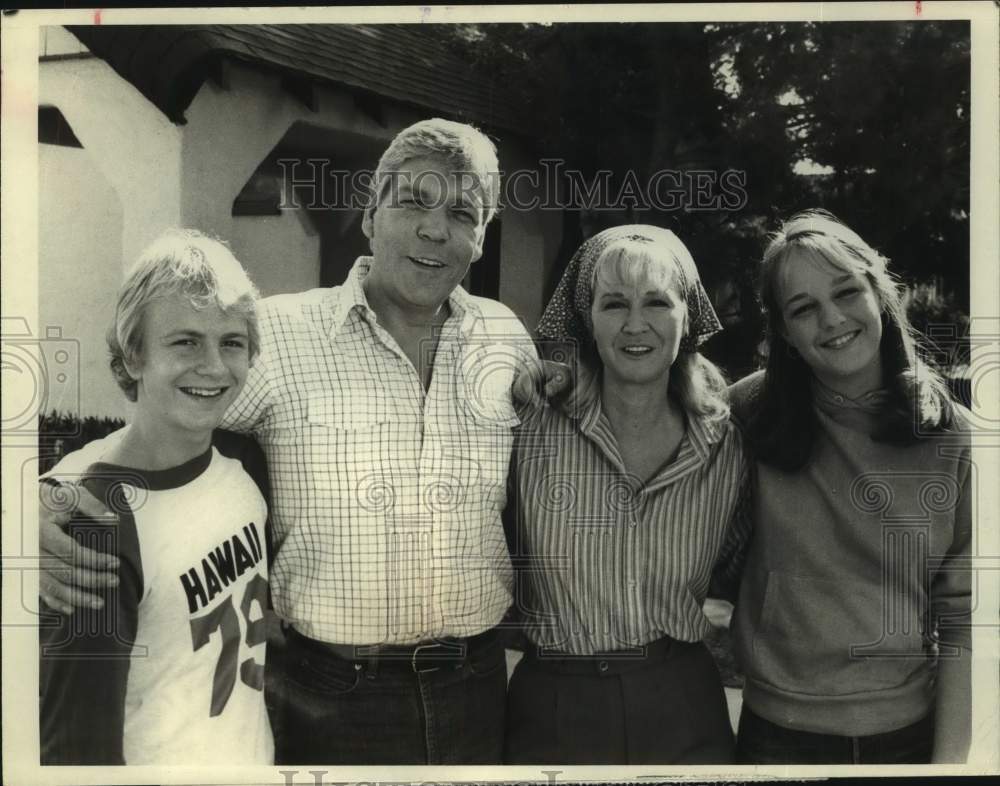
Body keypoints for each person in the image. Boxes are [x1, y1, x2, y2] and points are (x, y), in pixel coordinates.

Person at [38, 118, 545, 764]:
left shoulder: (504, 340)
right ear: (371, 213)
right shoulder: (280, 335)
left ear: (480, 237)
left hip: (477, 691)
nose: (435, 228)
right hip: (334, 699)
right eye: (413, 201)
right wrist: (46, 496)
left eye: (462, 213)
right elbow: (157, 423)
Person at [717, 209, 972, 764]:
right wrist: (562, 377)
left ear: (880, 293)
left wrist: (950, 765)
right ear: (783, 331)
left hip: (906, 734)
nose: (832, 319)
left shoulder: (952, 434)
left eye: (846, 292)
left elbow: (963, 617)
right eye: (803, 308)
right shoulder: (746, 413)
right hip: (776, 734)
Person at [503, 225, 748, 764]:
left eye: (657, 302)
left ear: (689, 316)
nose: (636, 325)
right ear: (587, 319)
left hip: (685, 706)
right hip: (556, 707)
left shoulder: (725, 444)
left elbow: (740, 564)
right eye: (614, 304)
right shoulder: (531, 422)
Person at [39, 230, 273, 764]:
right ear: (133, 357)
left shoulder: (244, 467)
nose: (214, 366)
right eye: (185, 341)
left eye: (231, 341)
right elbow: (76, 755)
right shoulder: (93, 527)